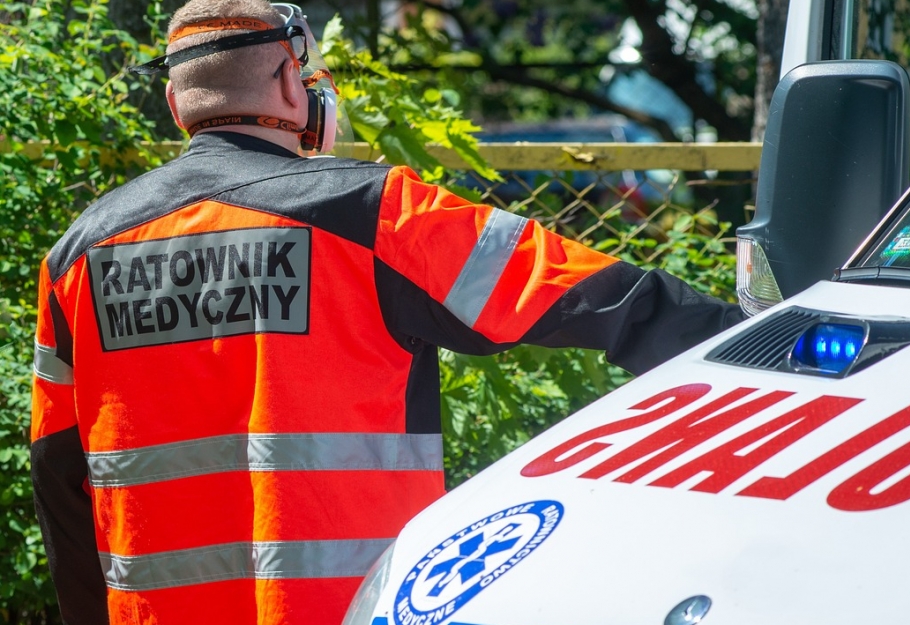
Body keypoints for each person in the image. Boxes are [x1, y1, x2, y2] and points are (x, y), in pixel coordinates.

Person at [29, 1, 744, 623]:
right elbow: (599, 295)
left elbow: (57, 475)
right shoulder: (372, 211)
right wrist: (770, 348)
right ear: (289, 82)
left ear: (178, 105)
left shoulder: (76, 257)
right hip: (354, 608)